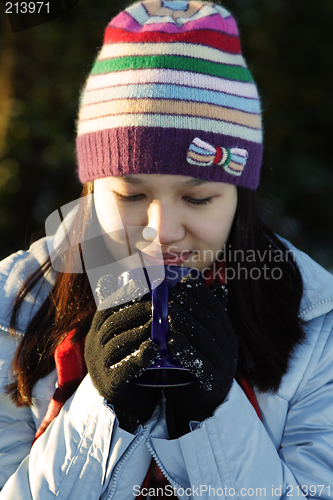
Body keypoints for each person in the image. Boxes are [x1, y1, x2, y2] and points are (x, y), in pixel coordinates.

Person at [0, 0, 333, 498]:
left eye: (198, 197)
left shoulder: (316, 321)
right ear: (92, 187)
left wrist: (212, 418)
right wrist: (102, 411)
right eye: (130, 195)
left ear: (238, 197)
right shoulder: (14, 307)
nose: (162, 229)